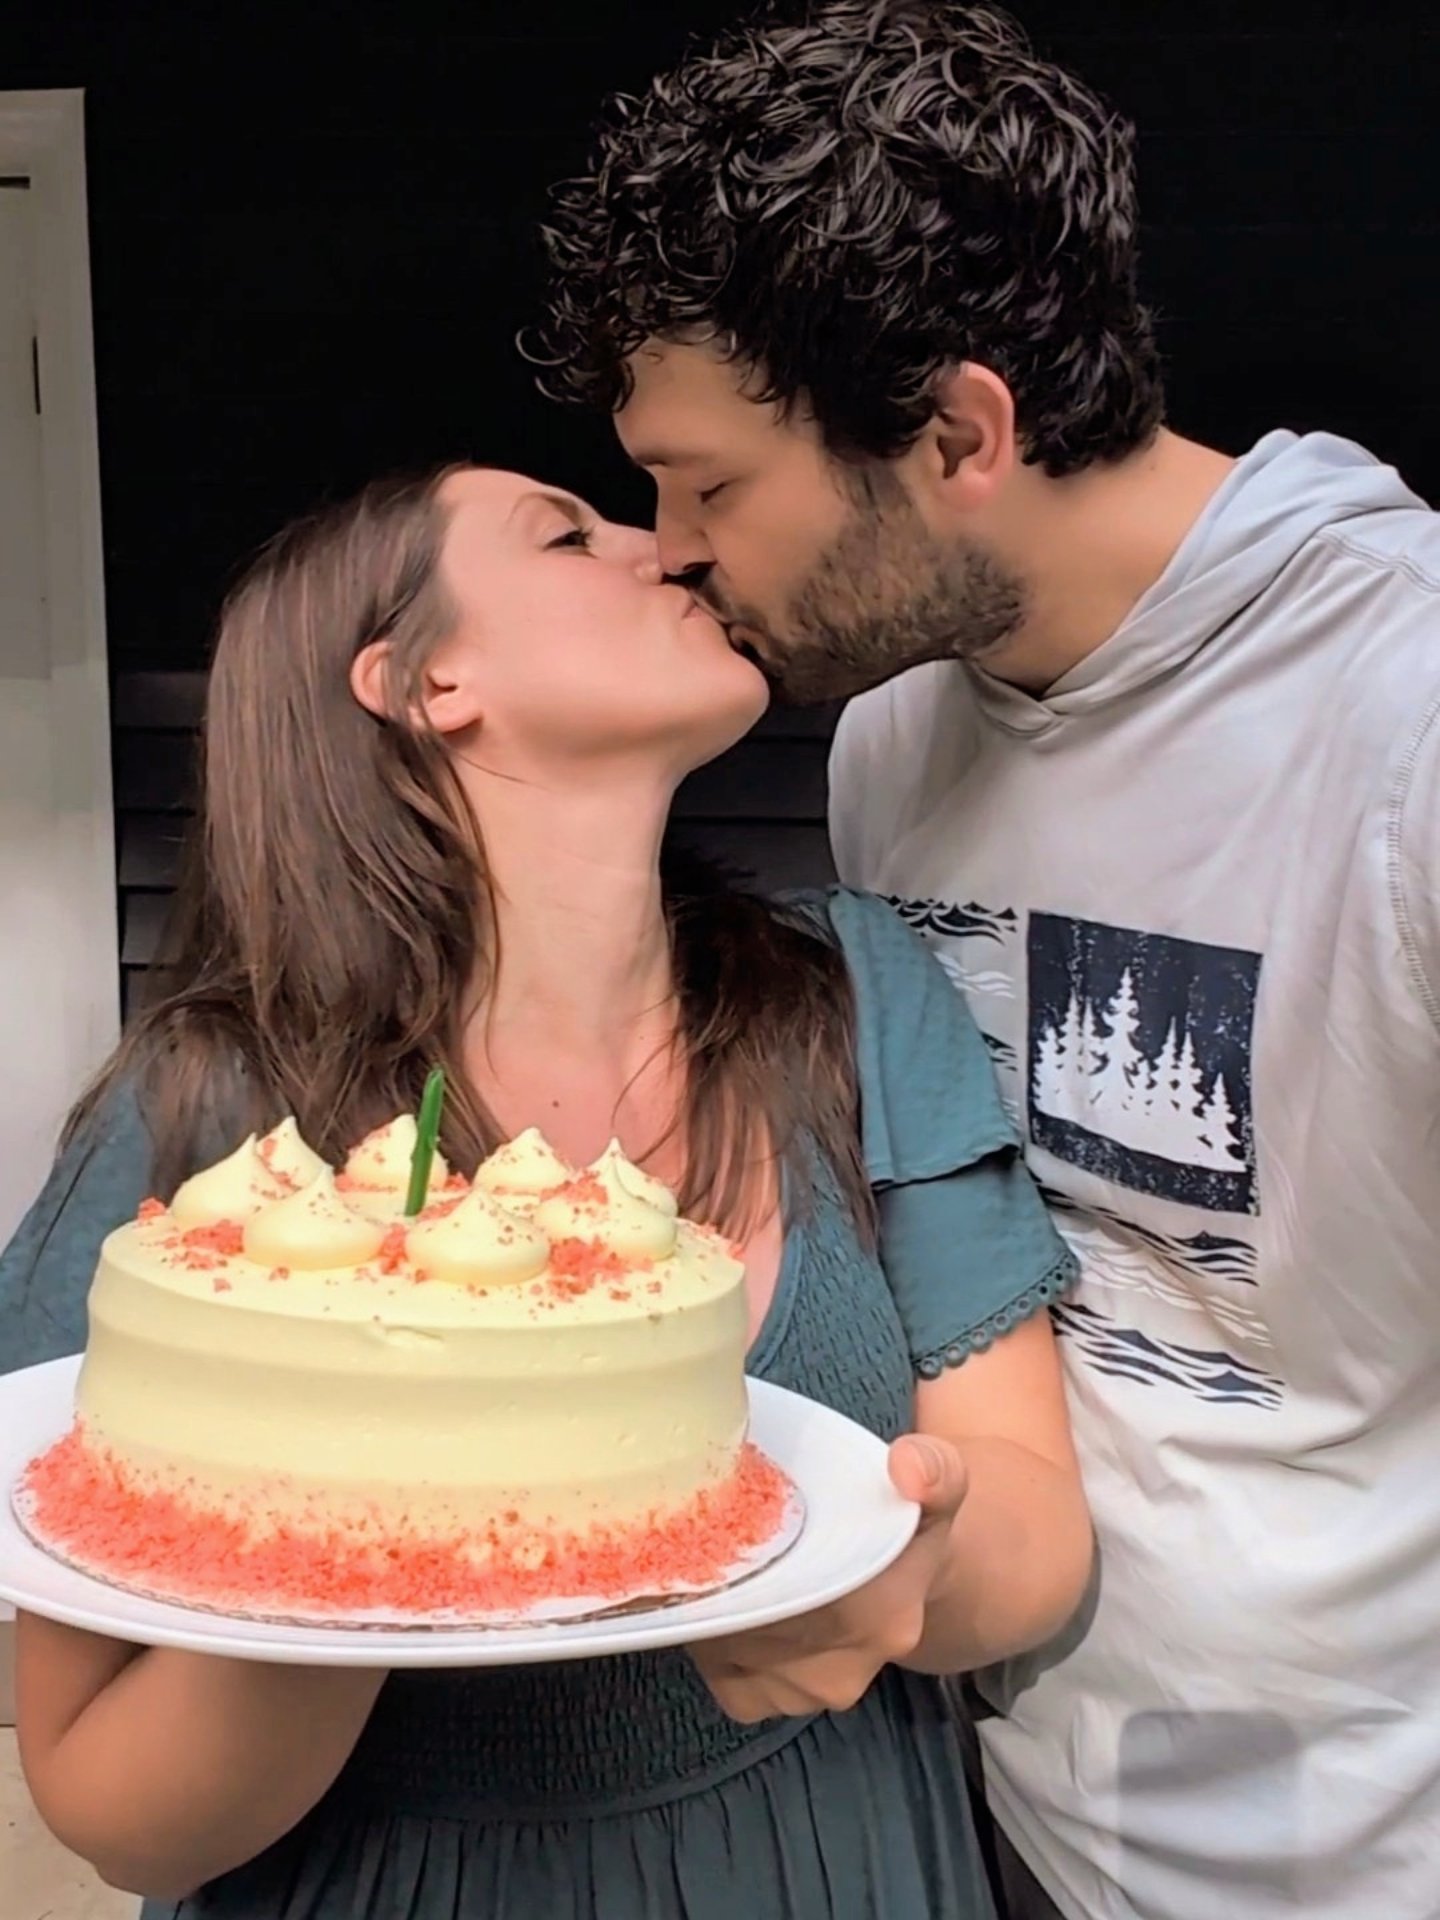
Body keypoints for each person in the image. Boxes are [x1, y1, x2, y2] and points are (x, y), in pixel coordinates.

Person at [528, 2, 1440, 1917]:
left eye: (711, 486)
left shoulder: (1406, 715)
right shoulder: (896, 738)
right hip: (988, 1807)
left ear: (959, 432)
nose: (672, 551)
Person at [1, 462, 1089, 1919]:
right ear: (426, 680)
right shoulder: (208, 1117)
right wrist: (381, 1507)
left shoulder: (853, 992)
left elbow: (1030, 1532)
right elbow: (119, 1816)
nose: (670, 547)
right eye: (569, 534)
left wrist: (906, 1567)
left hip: (830, 1856)